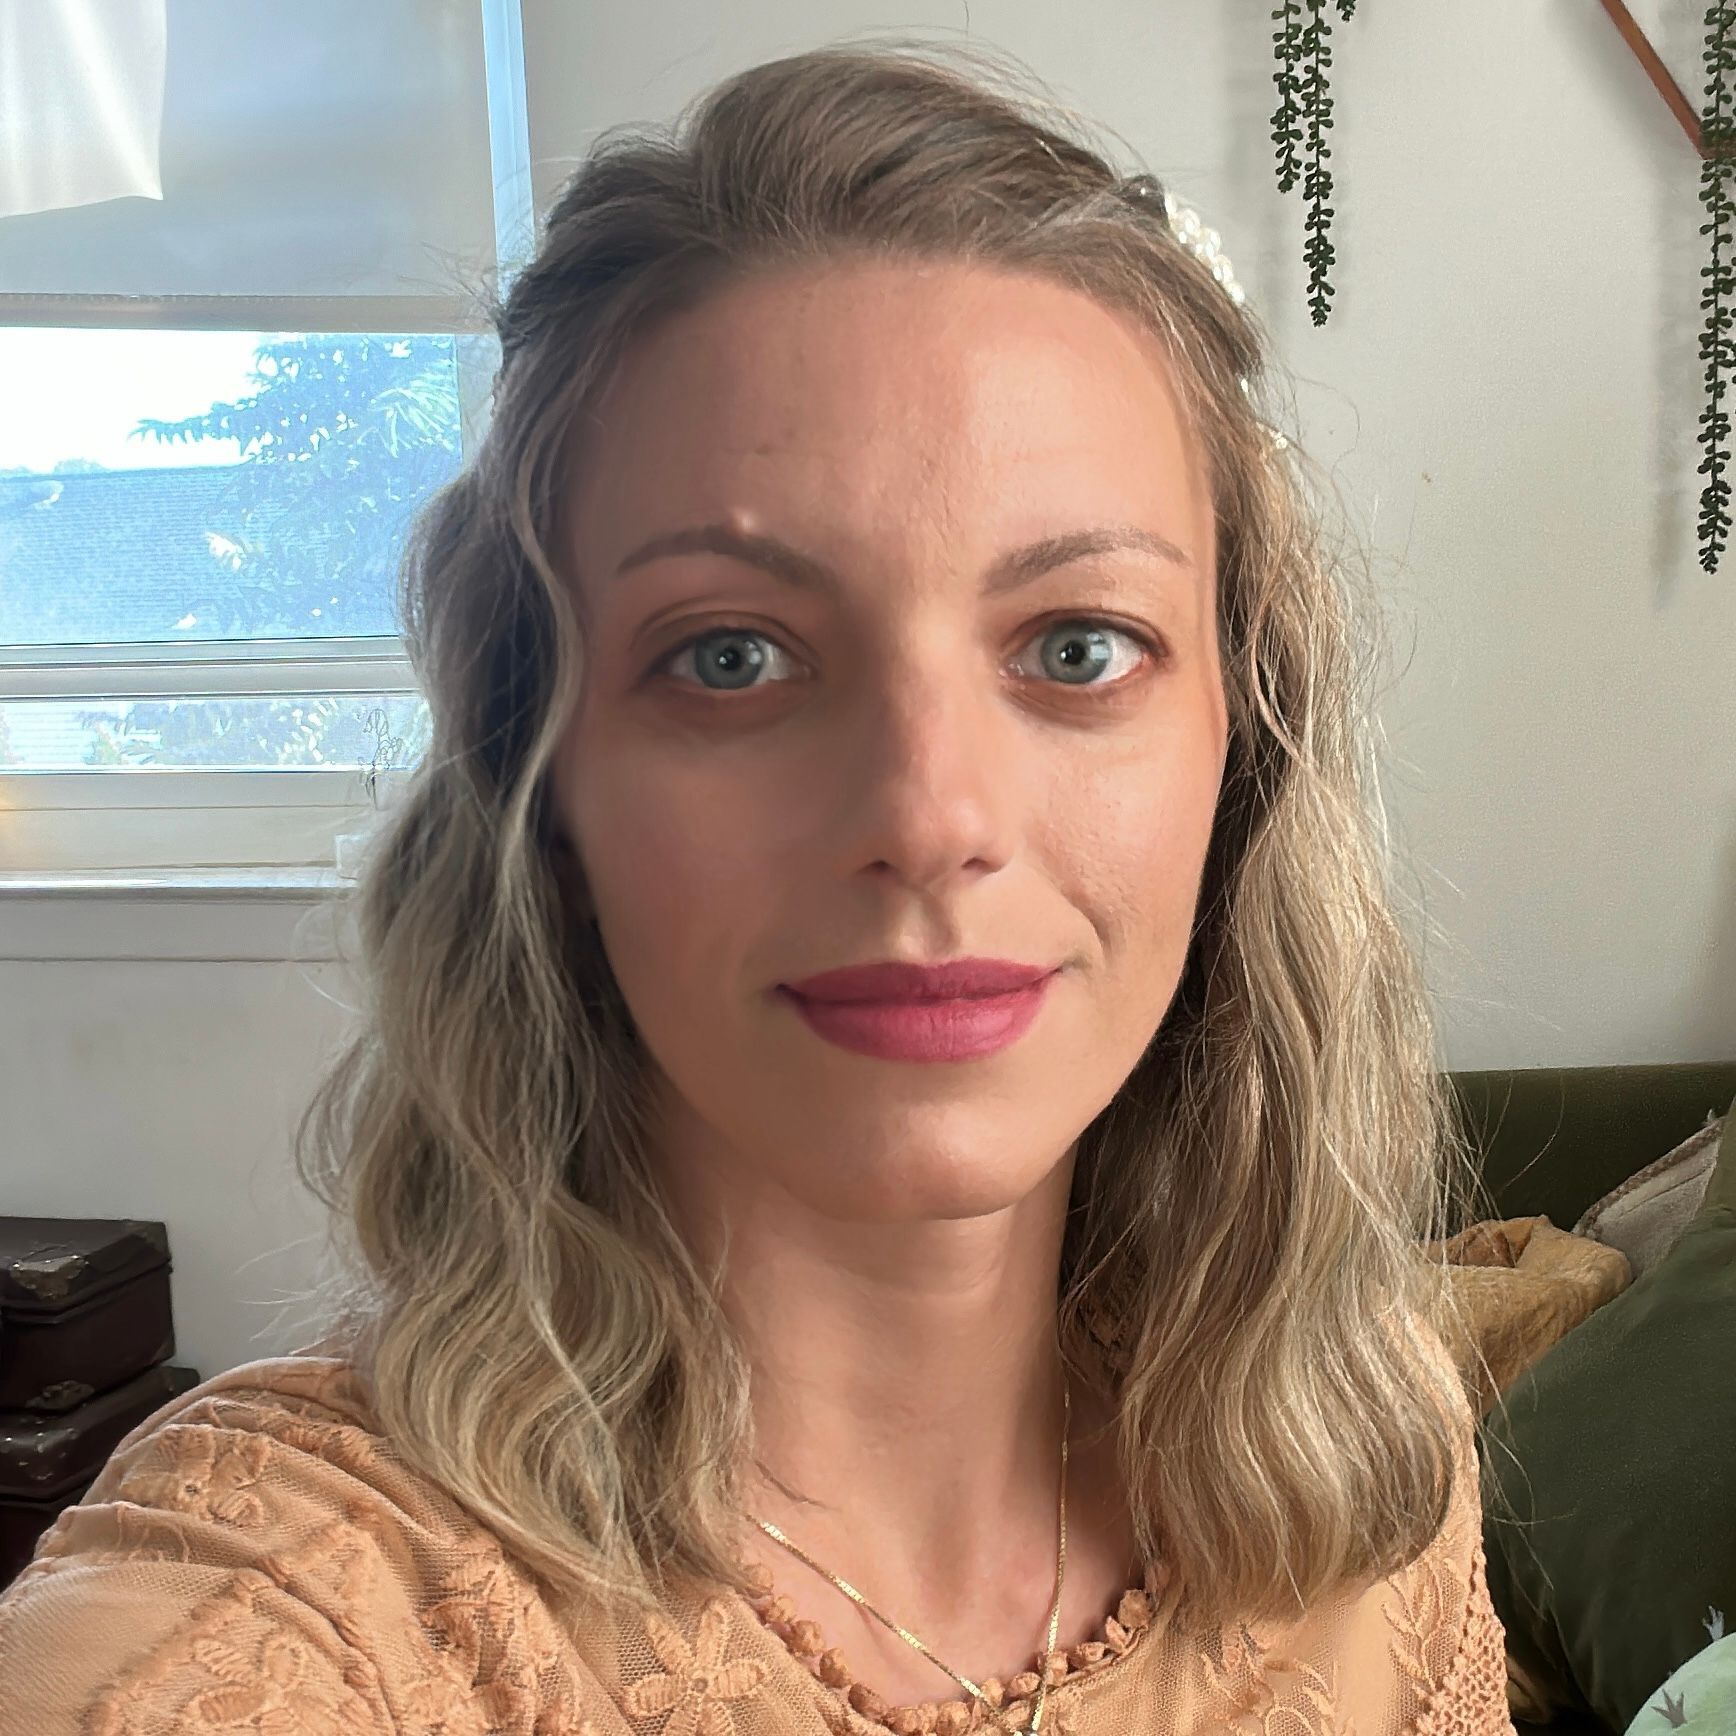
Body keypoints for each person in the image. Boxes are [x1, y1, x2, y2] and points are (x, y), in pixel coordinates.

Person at [0, 36, 1514, 1736]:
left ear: (1244, 749)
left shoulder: (1362, 1488)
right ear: (542, 786)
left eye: (1080, 646)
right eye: (732, 655)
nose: (929, 817)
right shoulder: (260, 1635)